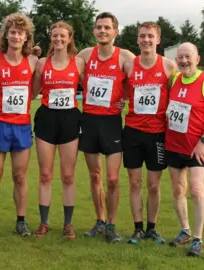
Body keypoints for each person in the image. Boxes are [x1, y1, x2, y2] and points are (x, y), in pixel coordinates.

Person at [0, 13, 38, 237]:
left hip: (21, 126)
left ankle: (21, 221)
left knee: (20, 176)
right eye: (12, 31)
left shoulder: (33, 62)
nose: (15, 36)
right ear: (6, 35)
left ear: (26, 37)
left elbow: (38, 90)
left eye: (20, 32)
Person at [76, 12, 135, 243]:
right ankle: (100, 221)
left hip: (111, 122)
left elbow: (140, 78)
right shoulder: (85, 55)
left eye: (107, 28)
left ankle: (111, 224)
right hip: (89, 120)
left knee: (112, 178)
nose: (102, 31)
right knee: (94, 175)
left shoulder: (126, 57)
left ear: (115, 32)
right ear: (94, 31)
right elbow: (64, 66)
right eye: (99, 27)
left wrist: (127, 97)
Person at [165, 42, 204, 256]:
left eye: (188, 57)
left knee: (196, 189)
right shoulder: (174, 80)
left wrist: (203, 142)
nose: (183, 61)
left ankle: (198, 239)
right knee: (177, 189)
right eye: (180, 57)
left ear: (197, 59)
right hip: (173, 145)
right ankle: (185, 230)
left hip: (196, 148)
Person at [123, 22, 177, 245]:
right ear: (137, 40)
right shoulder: (129, 65)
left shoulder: (169, 66)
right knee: (134, 183)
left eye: (150, 36)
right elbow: (121, 91)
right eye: (142, 36)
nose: (146, 40)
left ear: (158, 40)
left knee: (154, 184)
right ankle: (137, 228)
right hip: (133, 132)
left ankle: (152, 228)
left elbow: (176, 96)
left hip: (157, 134)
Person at [30, 21, 84, 239]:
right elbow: (32, 92)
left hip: (70, 119)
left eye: (63, 35)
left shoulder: (79, 63)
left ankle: (68, 224)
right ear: (50, 38)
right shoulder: (42, 63)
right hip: (46, 118)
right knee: (45, 174)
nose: (58, 39)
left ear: (70, 38)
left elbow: (95, 87)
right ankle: (44, 223)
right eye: (55, 35)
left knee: (68, 175)